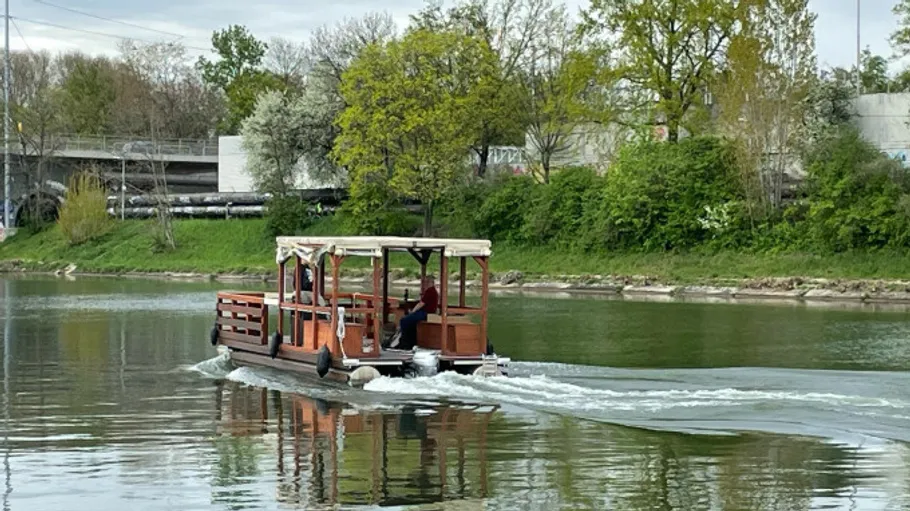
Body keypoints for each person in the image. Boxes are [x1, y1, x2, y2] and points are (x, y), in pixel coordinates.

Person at [389, 275, 438, 350]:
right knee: (410, 322)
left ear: (430, 282)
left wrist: (412, 311)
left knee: (404, 321)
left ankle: (405, 343)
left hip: (426, 313)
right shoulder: (432, 291)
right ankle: (410, 341)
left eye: (426, 282)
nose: (425, 284)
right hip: (427, 313)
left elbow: (421, 303)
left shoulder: (430, 291)